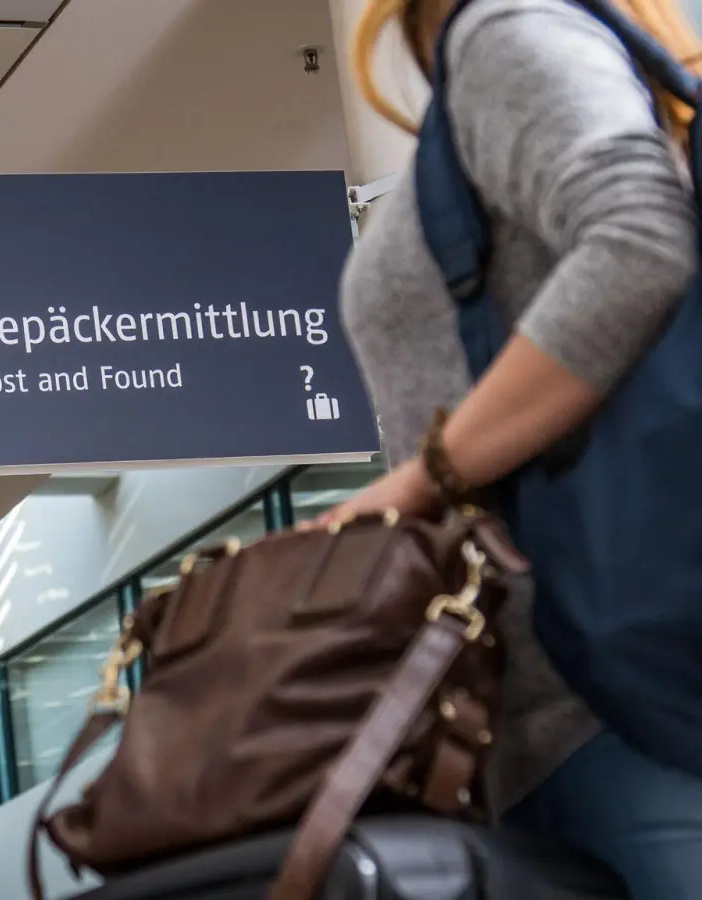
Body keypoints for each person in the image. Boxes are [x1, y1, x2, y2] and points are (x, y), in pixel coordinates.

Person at [325, 0, 702, 896]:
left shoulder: (505, 23)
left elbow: (640, 238)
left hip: (605, 707)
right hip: (597, 698)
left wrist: (422, 480)